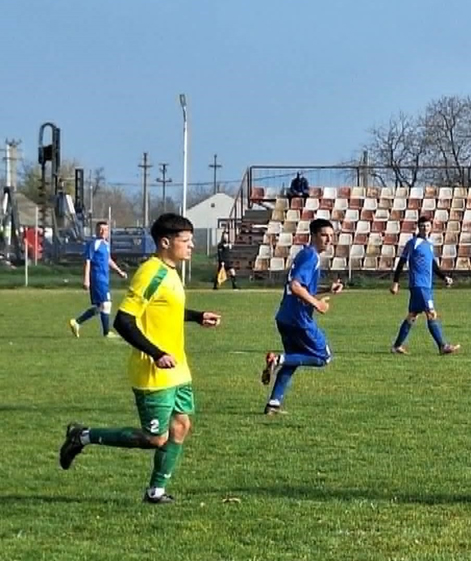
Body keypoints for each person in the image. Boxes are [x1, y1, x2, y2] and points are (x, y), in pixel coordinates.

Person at [58, 213, 221, 504]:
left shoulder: (170, 271)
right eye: (186, 241)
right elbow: (123, 320)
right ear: (165, 242)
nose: (192, 246)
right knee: (155, 438)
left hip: (178, 367)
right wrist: (156, 354)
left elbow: (165, 309)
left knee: (181, 426)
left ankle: (155, 491)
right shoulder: (151, 272)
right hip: (153, 371)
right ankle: (83, 436)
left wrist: (197, 317)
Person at [261, 218, 344, 415]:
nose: (328, 240)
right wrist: (318, 304)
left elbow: (301, 286)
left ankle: (273, 403)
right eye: (324, 235)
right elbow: (295, 286)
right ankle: (278, 360)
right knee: (323, 357)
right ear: (313, 235)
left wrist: (327, 288)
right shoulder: (311, 257)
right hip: (298, 319)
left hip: (285, 317)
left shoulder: (304, 254)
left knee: (294, 359)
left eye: (331, 236)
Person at [390, 215, 460, 355]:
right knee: (431, 313)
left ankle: (396, 346)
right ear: (418, 227)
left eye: (427, 226)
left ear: (430, 227)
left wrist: (444, 277)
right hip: (419, 284)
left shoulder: (429, 244)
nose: (425, 228)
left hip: (426, 285)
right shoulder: (413, 243)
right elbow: (402, 262)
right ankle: (443, 346)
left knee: (412, 315)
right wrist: (395, 282)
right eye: (422, 226)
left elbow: (433, 265)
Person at [68, 221, 127, 338]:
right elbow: (87, 261)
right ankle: (106, 332)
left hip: (104, 278)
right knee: (106, 304)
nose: (103, 232)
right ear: (96, 231)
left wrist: (119, 271)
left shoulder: (106, 244)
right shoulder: (94, 244)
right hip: (97, 278)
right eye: (100, 229)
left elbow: (108, 260)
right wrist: (86, 279)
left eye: (105, 229)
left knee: (102, 307)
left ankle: (77, 322)